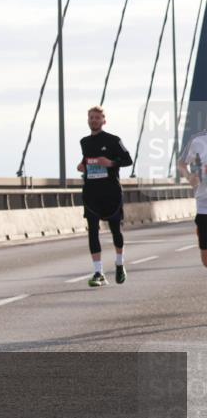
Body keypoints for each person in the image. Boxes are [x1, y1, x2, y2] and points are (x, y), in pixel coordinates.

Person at [76, 106, 133, 287]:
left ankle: (119, 264)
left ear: (103, 121)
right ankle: (98, 272)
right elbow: (87, 159)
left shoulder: (114, 140)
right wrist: (82, 165)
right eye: (91, 117)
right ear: (88, 120)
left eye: (97, 118)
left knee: (116, 231)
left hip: (111, 193)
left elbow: (128, 160)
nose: (94, 120)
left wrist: (110, 163)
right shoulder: (84, 142)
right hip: (91, 193)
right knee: (93, 231)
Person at [177, 129, 207, 268]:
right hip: (204, 204)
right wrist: (189, 177)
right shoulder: (197, 140)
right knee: (205, 256)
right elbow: (181, 163)